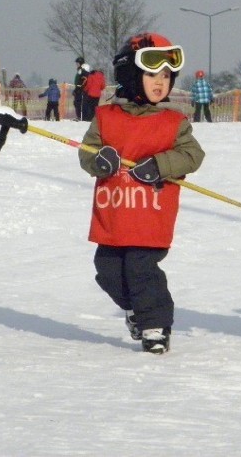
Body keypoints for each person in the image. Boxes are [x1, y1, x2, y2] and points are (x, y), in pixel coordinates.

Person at [77, 33, 205, 354]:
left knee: (141, 269)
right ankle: (136, 311)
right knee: (107, 271)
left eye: (166, 76)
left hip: (151, 217)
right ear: (131, 76)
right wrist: (99, 160)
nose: (161, 82)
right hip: (114, 216)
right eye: (152, 75)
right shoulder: (106, 116)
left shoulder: (173, 122)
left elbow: (192, 155)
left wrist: (161, 165)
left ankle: (155, 326)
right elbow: (87, 153)